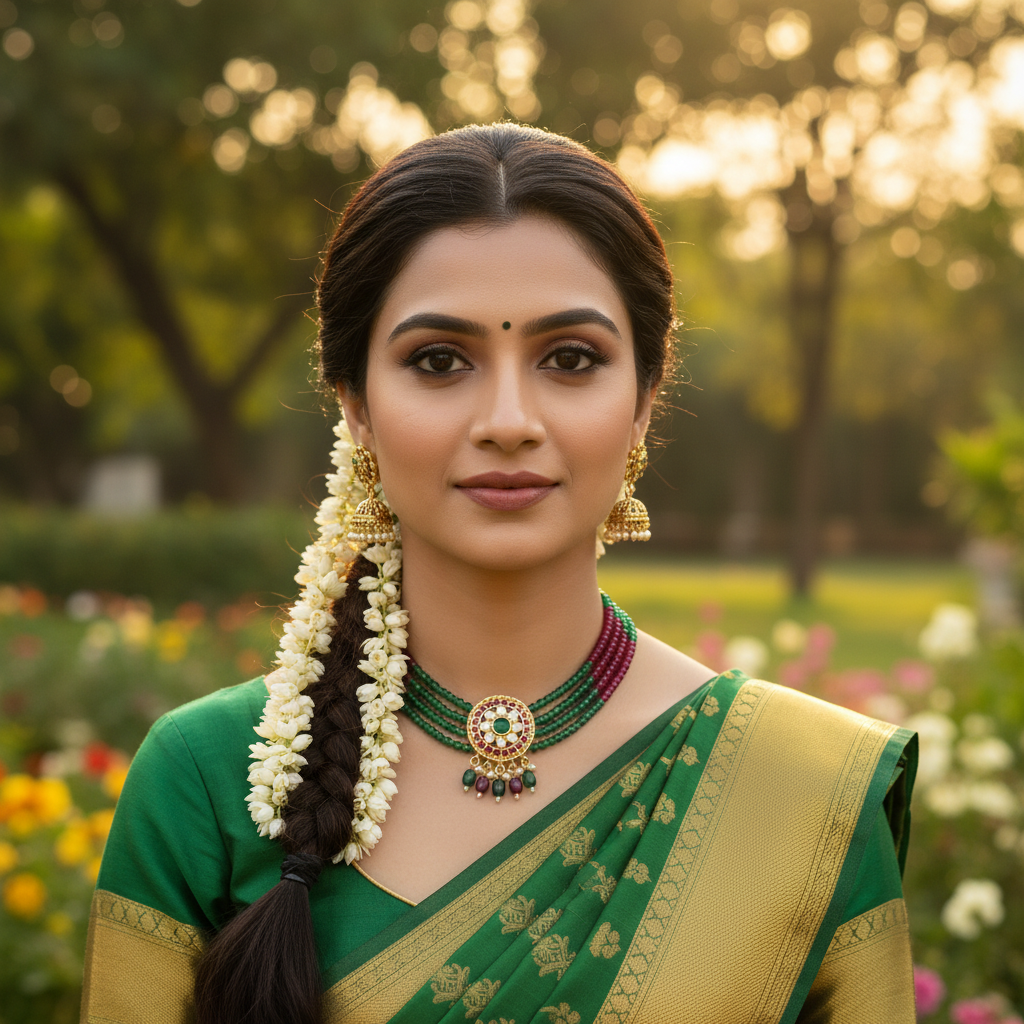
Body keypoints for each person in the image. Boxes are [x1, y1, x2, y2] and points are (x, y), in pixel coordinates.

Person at [80, 123, 918, 1024]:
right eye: (439, 361)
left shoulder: (801, 791)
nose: (509, 419)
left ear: (642, 401)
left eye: (570, 359)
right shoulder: (208, 781)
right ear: (356, 404)